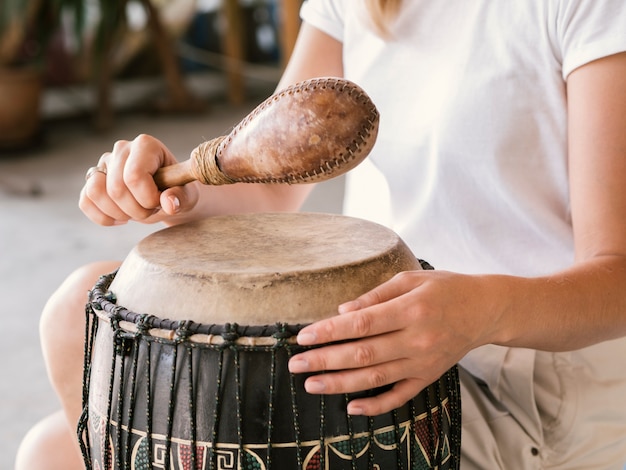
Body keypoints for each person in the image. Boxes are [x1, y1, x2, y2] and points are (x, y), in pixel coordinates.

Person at [16, 0, 626, 468]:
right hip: (371, 325)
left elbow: (617, 272)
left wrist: (481, 311)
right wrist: (184, 189)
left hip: (529, 373)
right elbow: (274, 183)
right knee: (72, 333)